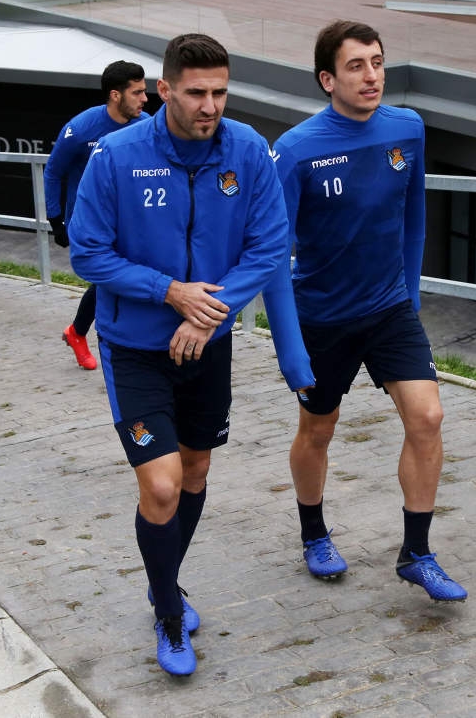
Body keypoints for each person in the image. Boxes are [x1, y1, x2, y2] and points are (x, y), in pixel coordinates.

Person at [69, 34, 310, 677]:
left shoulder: (248, 151)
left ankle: (163, 582)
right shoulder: (117, 156)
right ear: (165, 90)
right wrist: (170, 291)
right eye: (197, 92)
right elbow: (87, 252)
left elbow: (269, 245)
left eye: (220, 92)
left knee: (196, 471)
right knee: (162, 483)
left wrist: (209, 312)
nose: (210, 106)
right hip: (134, 348)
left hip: (209, 344)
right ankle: (170, 616)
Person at [262, 20, 467, 603]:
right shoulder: (296, 150)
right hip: (322, 318)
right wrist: (289, 348)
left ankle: (416, 553)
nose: (371, 75)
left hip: (389, 310)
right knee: (318, 429)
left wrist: (410, 297)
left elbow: (414, 219)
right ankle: (313, 533)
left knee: (428, 417)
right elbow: (272, 256)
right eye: (356, 66)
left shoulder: (407, 128)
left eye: (377, 62)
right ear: (327, 79)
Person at [44, 60, 150, 370]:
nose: (145, 99)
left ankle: (77, 332)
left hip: (131, 219)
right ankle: (114, 349)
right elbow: (53, 172)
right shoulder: (81, 128)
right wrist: (55, 220)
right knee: (110, 280)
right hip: (90, 222)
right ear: (116, 95)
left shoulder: (147, 125)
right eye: (137, 93)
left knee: (121, 279)